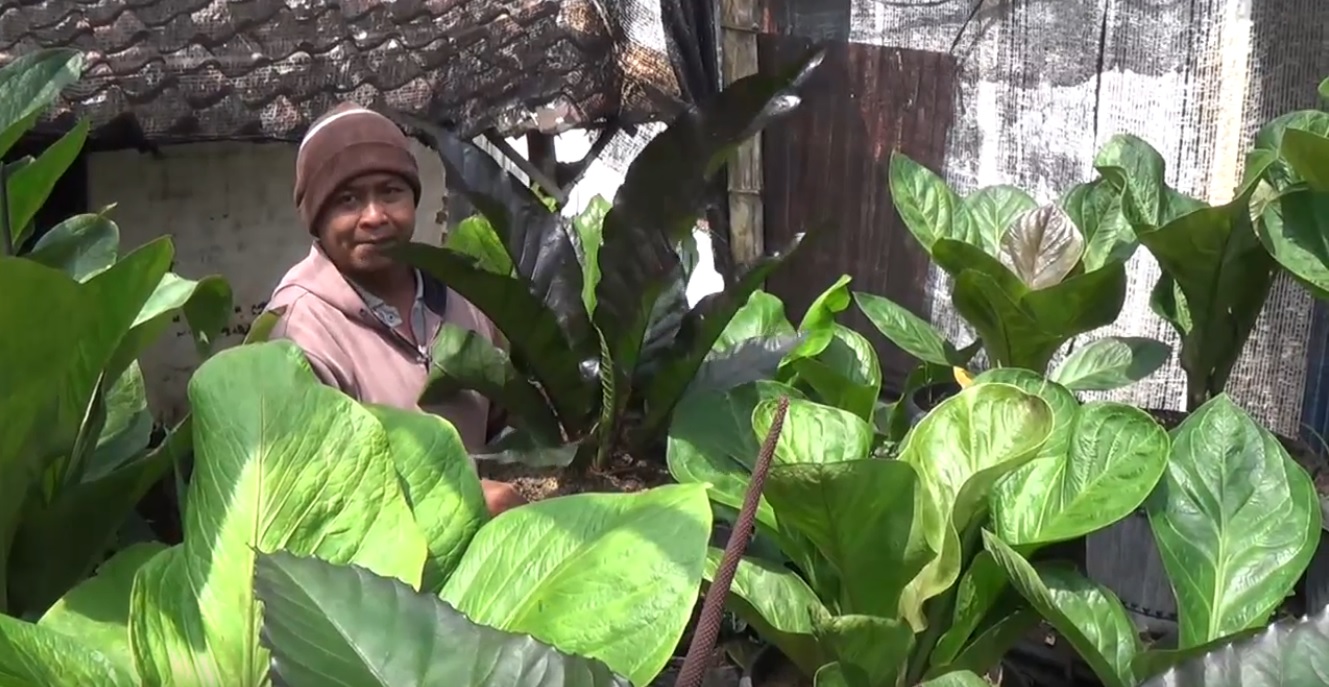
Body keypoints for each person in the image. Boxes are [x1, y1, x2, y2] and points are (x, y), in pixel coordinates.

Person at [266, 102, 526, 516]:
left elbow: (502, 426)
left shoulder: (463, 298)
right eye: (347, 200)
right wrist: (463, 506)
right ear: (316, 218)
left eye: (391, 192)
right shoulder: (299, 330)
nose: (374, 216)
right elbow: (315, 498)